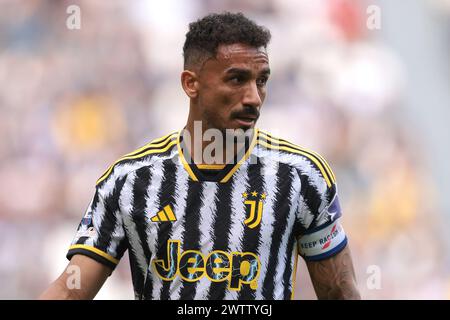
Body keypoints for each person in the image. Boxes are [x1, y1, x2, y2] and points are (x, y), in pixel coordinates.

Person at [40, 12, 360, 300]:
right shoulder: (130, 181)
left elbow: (339, 292)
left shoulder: (301, 176)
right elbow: (72, 292)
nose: (253, 97)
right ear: (191, 84)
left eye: (261, 80)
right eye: (237, 79)